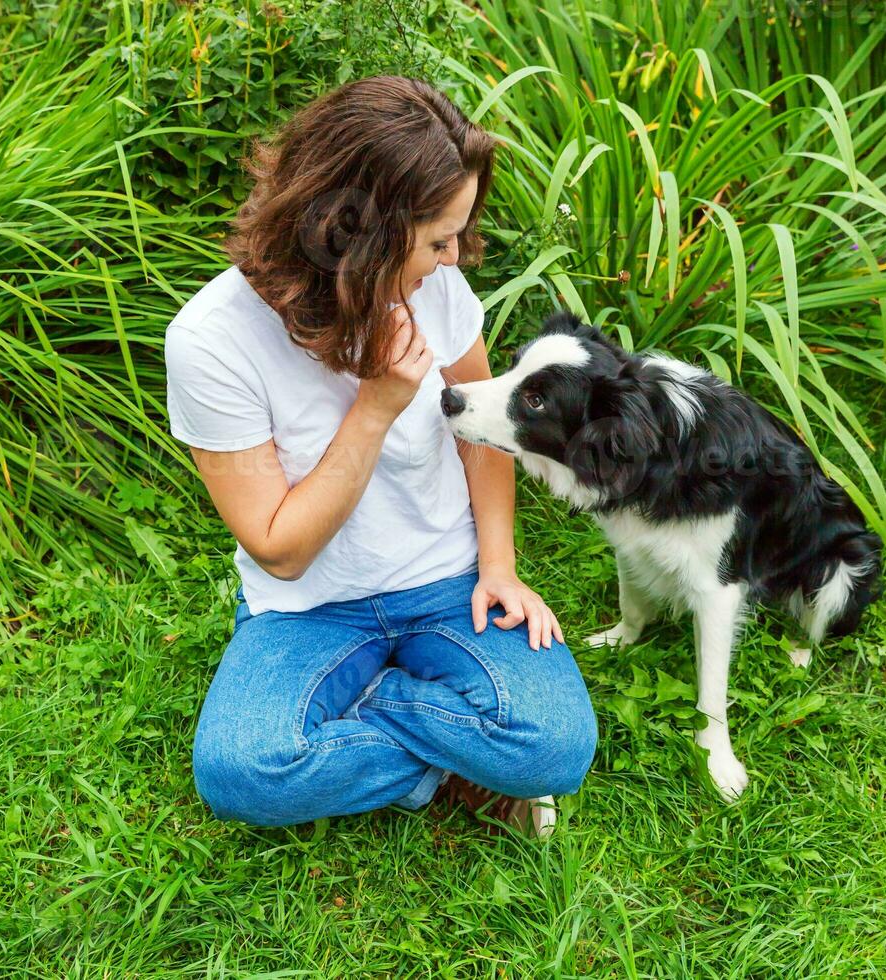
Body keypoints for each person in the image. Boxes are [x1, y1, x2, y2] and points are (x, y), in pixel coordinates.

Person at [165, 75, 598, 838]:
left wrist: (498, 565)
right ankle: (460, 754)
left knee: (557, 746)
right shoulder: (210, 340)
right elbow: (280, 550)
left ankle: (383, 724)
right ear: (352, 232)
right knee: (243, 770)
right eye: (437, 240)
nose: (454, 257)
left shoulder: (441, 290)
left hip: (447, 586)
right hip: (306, 611)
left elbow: (483, 436)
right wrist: (376, 408)